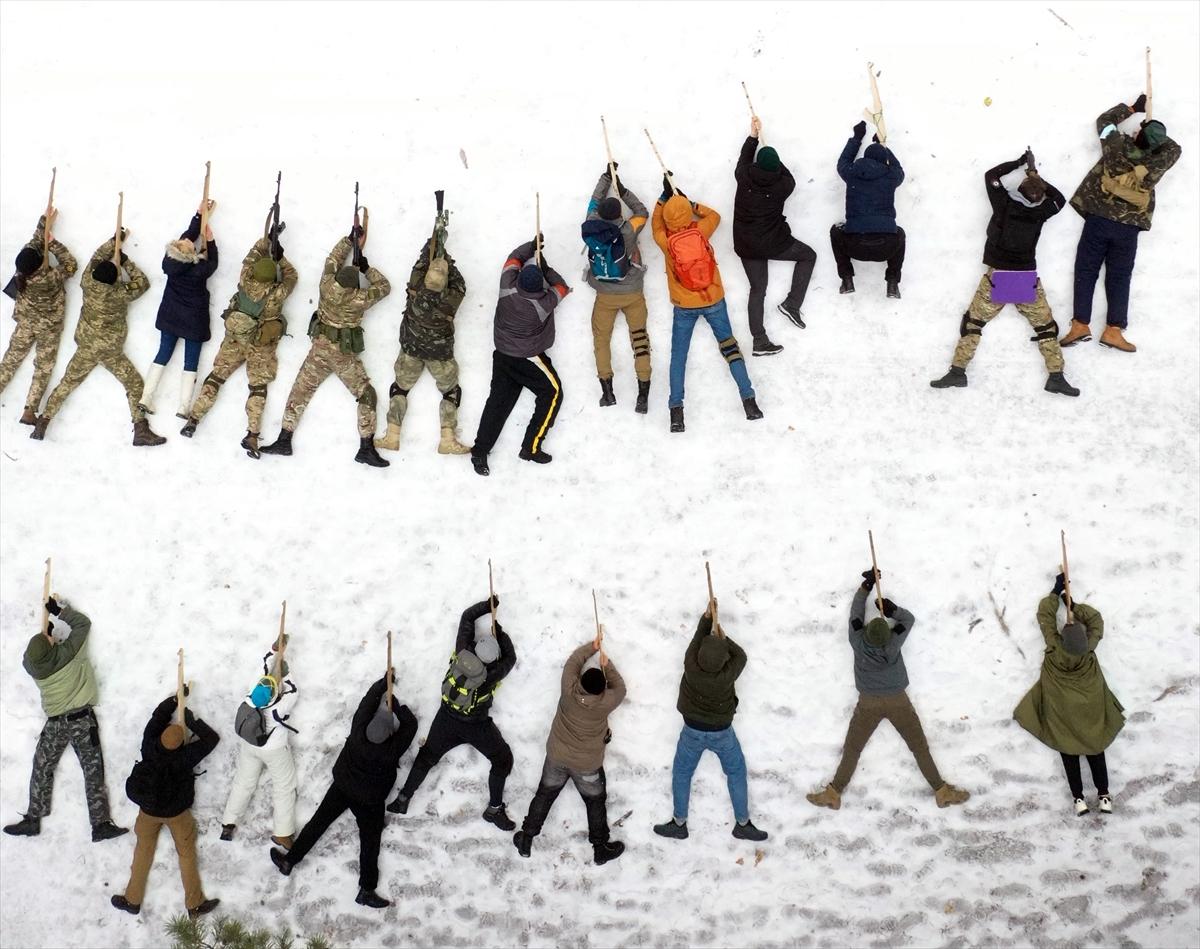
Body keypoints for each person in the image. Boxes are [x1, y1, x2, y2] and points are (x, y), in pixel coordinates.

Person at [807, 570, 970, 811]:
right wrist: (893, 610)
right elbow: (909, 620)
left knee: (853, 748)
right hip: (898, 702)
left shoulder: (857, 640)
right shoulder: (894, 643)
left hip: (868, 704)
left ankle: (834, 793)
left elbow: (855, 613)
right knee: (919, 746)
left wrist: (867, 586)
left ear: (867, 632)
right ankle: (941, 791)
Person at [929, 150, 1080, 397]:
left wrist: (1018, 164)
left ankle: (957, 373)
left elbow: (991, 175)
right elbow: (1060, 199)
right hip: (1026, 279)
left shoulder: (1004, 203)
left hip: (998, 278)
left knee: (974, 323)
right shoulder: (1042, 211)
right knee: (1045, 329)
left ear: (1020, 189)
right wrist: (1038, 178)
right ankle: (1056, 377)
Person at [270, 675, 416, 909]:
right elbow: (411, 725)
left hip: (343, 786)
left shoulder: (359, 730)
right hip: (369, 800)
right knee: (370, 843)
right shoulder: (392, 749)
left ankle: (289, 861)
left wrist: (382, 686)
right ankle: (367, 890)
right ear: (390, 734)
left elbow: (366, 704)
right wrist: (395, 705)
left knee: (318, 822)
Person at [260, 225, 391, 467]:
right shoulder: (358, 299)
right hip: (343, 356)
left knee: (300, 391)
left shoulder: (326, 285)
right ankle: (366, 447)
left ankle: (284, 439)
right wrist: (366, 268)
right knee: (366, 394)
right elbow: (384, 287)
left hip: (319, 348)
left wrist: (348, 240)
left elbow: (332, 259)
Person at [1060, 95, 1182, 353]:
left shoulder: (1116, 145)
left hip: (1099, 218)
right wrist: (1154, 137)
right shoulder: (1157, 162)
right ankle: (1114, 330)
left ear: (1138, 136)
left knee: (1086, 270)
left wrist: (1133, 109)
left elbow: (1104, 121)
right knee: (1120, 276)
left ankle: (1080, 324)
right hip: (1128, 228)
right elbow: (1175, 149)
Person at [4, 595, 126, 842]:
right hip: (82, 722)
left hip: (55, 724)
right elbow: (83, 624)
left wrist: (45, 637)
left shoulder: (33, 667)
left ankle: (32, 819)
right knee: (93, 772)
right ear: (51, 648)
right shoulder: (70, 653)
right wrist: (59, 612)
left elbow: (33, 655)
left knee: (42, 767)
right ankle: (100, 825)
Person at [388, 596, 516, 829]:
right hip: (477, 726)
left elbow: (467, 617)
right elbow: (511, 658)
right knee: (503, 759)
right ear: (492, 660)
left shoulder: (461, 651)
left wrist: (487, 606)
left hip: (446, 718)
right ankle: (494, 809)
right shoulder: (490, 675)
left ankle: (403, 798)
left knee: (427, 756)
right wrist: (501, 633)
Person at [32, 232, 164, 446]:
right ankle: (140, 429)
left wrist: (113, 242)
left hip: (86, 346)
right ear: (115, 281)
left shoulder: (87, 282)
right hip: (111, 352)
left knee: (67, 383)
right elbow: (142, 283)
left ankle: (43, 421)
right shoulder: (120, 293)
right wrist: (125, 261)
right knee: (134, 384)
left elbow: (95, 258)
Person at [653, 174, 762, 433]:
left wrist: (662, 199)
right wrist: (690, 204)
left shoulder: (666, 242)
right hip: (713, 299)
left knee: (678, 356)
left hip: (684, 306)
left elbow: (656, 226)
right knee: (730, 348)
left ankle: (676, 412)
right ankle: (749, 401)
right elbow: (715, 216)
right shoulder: (701, 231)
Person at [653, 599, 767, 842]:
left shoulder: (690, 664)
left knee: (682, 773)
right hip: (722, 732)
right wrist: (724, 639)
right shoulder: (727, 674)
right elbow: (742, 656)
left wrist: (707, 619)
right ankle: (743, 824)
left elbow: (697, 639)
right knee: (736, 772)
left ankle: (679, 823)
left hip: (692, 730)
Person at [1013, 572, 1125, 815]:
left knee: (1068, 749)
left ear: (1062, 639)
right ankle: (1104, 795)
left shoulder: (1054, 649)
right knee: (1096, 748)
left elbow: (1044, 616)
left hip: (1063, 715)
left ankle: (1078, 799)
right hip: (1090, 714)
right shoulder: (1090, 650)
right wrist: (1073, 605)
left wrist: (1055, 592)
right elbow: (1096, 620)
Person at [512, 636, 626, 865]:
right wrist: (607, 665)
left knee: (544, 794)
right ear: (602, 691)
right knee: (595, 802)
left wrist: (591, 648)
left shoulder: (568, 689)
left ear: (581, 681)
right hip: (587, 766)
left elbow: (573, 662)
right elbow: (621, 689)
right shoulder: (605, 702)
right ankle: (600, 847)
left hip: (557, 757)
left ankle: (526, 837)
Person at [180, 235, 297, 457]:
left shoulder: (245, 279)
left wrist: (266, 241)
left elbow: (250, 257)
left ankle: (193, 419)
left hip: (235, 339)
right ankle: (252, 434)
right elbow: (292, 276)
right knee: (258, 388)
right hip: (260, 346)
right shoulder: (276, 294)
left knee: (215, 378)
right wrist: (280, 258)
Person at [111, 692, 220, 919]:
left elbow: (155, 720)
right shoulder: (186, 757)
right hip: (177, 815)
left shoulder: (148, 746)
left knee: (143, 852)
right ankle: (194, 904)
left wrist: (173, 700)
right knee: (186, 854)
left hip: (147, 813)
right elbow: (211, 739)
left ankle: (132, 900)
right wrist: (191, 722)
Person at [469, 239, 570, 476]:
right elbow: (561, 287)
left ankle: (480, 451)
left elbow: (513, 258)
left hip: (503, 355)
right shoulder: (542, 304)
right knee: (553, 392)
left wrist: (531, 245)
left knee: (497, 403)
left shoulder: (507, 285)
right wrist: (546, 269)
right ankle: (531, 447)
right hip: (527, 358)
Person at [375, 215, 471, 455]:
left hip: (411, 347)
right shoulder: (451, 299)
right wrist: (445, 257)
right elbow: (459, 282)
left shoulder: (415, 287)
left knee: (400, 388)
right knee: (451, 391)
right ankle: (447, 439)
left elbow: (421, 261)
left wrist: (434, 242)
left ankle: (392, 436)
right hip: (439, 354)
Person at [733, 117, 815, 354]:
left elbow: (744, 159)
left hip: (746, 245)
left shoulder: (743, 175)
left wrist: (753, 137)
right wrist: (775, 160)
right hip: (773, 243)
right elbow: (787, 174)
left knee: (758, 289)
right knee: (808, 256)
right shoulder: (784, 186)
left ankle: (759, 341)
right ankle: (792, 303)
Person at [582, 164, 652, 410]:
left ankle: (608, 392)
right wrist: (621, 189)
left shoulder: (591, 225)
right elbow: (642, 211)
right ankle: (643, 394)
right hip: (632, 293)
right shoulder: (629, 229)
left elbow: (593, 200)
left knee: (601, 340)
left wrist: (604, 178)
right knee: (639, 339)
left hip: (604, 294)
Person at [140, 202, 218, 419]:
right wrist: (210, 241)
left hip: (171, 316)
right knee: (190, 362)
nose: (186, 239)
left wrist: (199, 215)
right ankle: (183, 406)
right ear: (192, 254)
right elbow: (214, 263)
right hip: (193, 320)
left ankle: (146, 397)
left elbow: (187, 236)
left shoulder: (170, 261)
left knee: (163, 354)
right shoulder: (199, 270)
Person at [219, 638, 298, 848]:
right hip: (274, 750)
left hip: (250, 745)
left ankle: (229, 822)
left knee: (243, 783)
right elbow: (292, 691)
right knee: (284, 787)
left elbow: (262, 668)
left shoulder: (249, 697)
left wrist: (274, 651)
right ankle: (282, 833)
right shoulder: (278, 709)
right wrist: (285, 672)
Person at [0, 209, 77, 424]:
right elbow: (70, 264)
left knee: (10, 360)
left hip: (26, 322)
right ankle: (29, 410)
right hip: (48, 328)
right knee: (42, 368)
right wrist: (52, 244)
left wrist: (44, 222)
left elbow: (34, 241)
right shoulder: (49, 277)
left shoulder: (22, 270)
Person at [831, 120, 906, 298]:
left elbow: (843, 161)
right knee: (900, 234)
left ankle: (847, 279)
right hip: (886, 247)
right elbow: (899, 169)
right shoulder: (890, 176)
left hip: (855, 245)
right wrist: (884, 147)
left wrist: (857, 138)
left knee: (835, 232)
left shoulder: (852, 173)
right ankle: (893, 282)